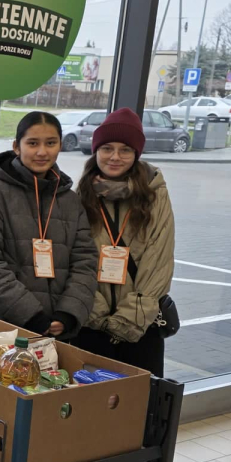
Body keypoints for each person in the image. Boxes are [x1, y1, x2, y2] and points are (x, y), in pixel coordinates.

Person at [0, 112, 98, 339]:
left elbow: (85, 261)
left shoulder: (69, 200)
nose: (42, 152)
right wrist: (31, 315)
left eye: (51, 143)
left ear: (60, 145)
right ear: (17, 146)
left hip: (56, 328)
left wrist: (68, 314)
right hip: (1, 326)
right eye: (33, 143)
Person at [74, 108, 175, 377]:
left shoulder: (154, 196)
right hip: (90, 325)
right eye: (107, 148)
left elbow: (159, 260)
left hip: (140, 328)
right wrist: (95, 312)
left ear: (136, 154)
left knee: (137, 401)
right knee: (89, 399)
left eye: (125, 150)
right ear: (96, 150)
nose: (115, 157)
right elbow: (74, 260)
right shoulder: (80, 196)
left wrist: (129, 319)